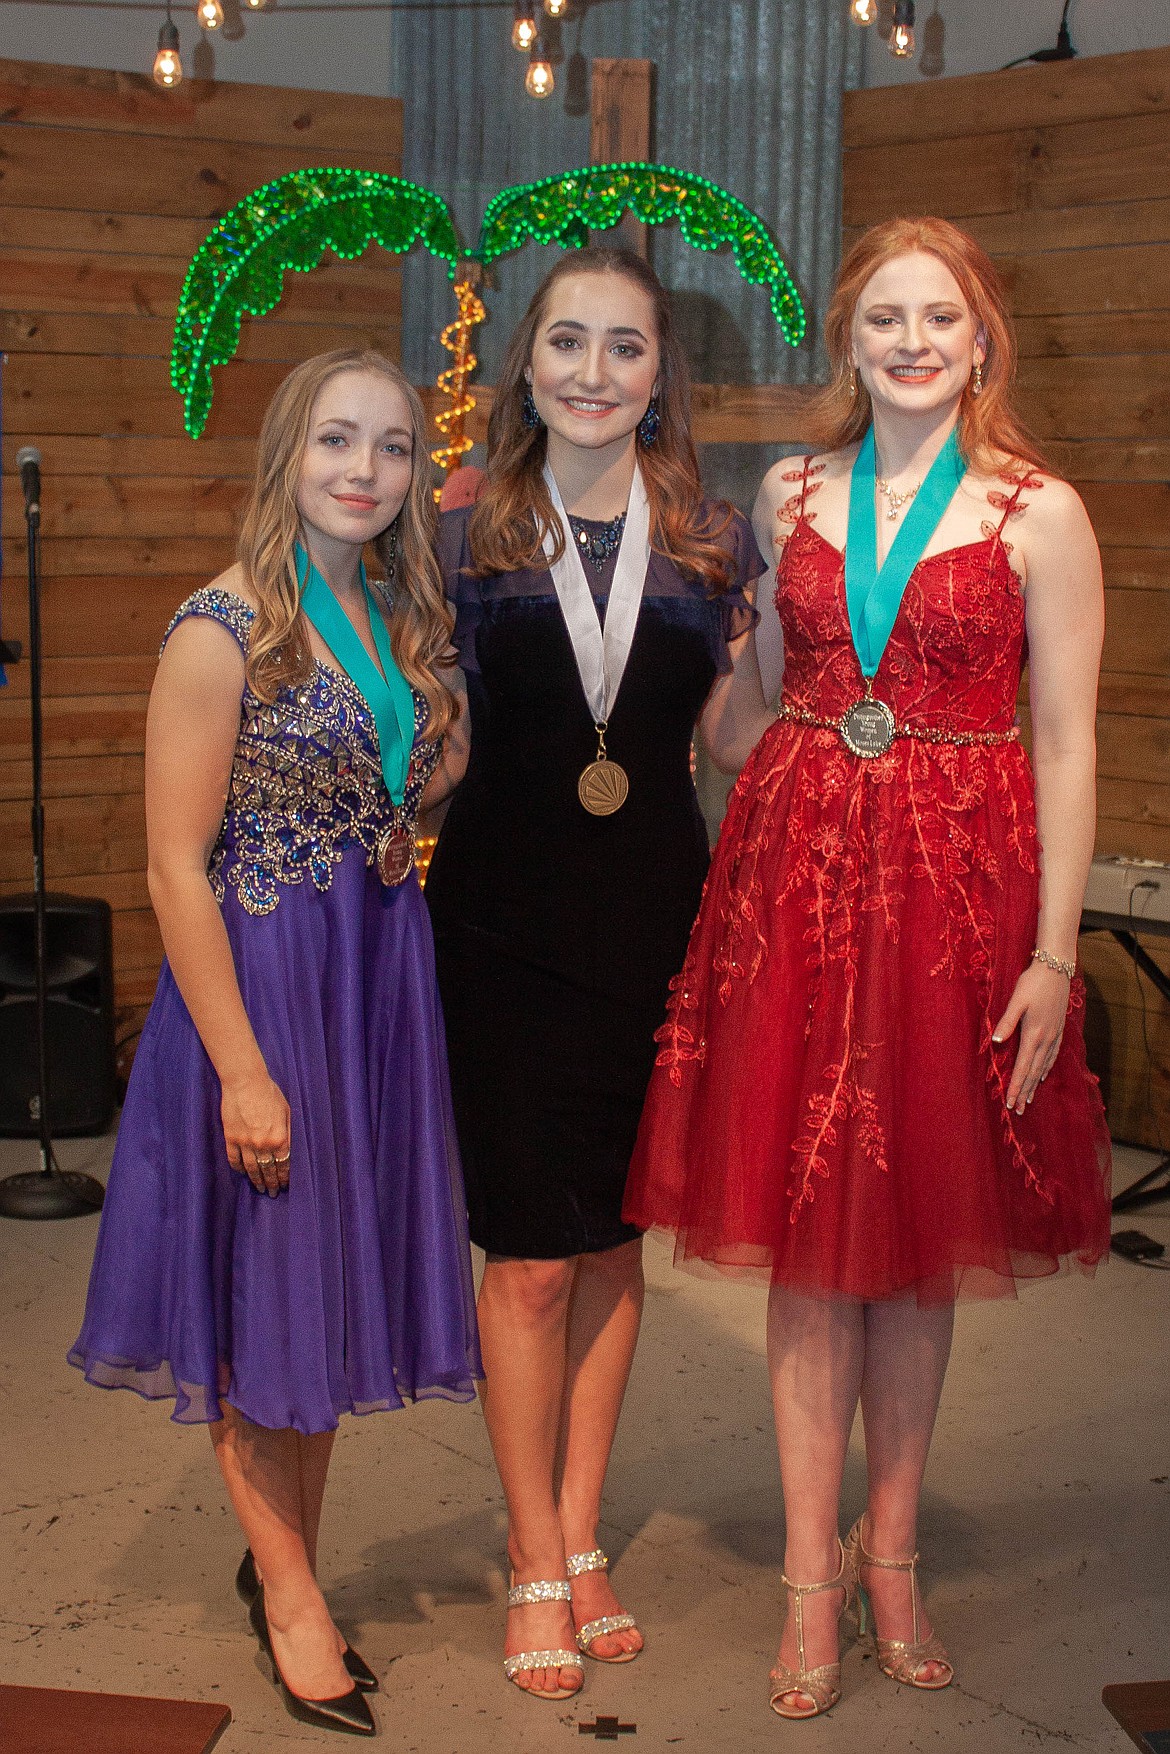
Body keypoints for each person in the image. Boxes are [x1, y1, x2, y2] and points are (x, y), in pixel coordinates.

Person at [623, 216, 1112, 1719]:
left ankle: (889, 1551)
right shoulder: (791, 493)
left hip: (962, 892)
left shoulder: (1040, 512)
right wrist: (727, 641)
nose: (910, 340)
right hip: (800, 880)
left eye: (939, 317)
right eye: (883, 316)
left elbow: (1066, 738)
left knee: (911, 1243)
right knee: (802, 1240)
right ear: (846, 340)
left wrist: (1052, 952)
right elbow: (757, 700)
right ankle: (804, 1572)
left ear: (979, 343)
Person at [69, 349, 481, 1738]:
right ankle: (294, 1595)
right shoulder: (220, 626)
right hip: (262, 988)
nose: (363, 470)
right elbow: (177, 868)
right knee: (264, 1297)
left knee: (322, 1287)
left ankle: (284, 1556)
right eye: (333, 443)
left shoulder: (389, 612)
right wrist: (243, 1067)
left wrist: (445, 718)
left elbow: (411, 791)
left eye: (391, 448)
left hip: (372, 977)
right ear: (283, 457)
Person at [424, 246, 766, 1700]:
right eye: (565, 342)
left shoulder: (710, 536)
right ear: (526, 363)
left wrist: (817, 666)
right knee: (527, 1258)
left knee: (619, 1240)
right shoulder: (459, 531)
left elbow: (736, 744)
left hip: (652, 927)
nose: (591, 372)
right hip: (500, 930)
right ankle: (527, 1551)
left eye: (623, 348)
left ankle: (577, 1525)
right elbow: (428, 744)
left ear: (657, 377)